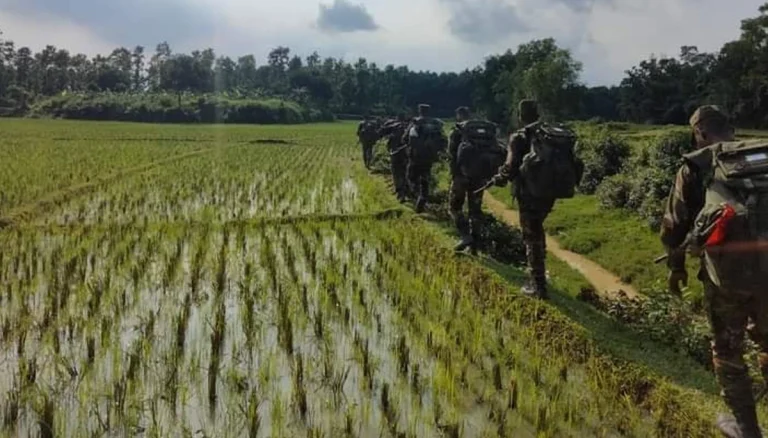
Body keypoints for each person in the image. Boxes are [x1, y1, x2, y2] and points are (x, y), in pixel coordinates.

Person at [661, 105, 767, 438]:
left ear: (701, 132)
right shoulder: (762, 154)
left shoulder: (698, 164)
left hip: (728, 279)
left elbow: (673, 226)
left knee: (727, 351)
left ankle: (747, 429)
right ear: (730, 128)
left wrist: (676, 268)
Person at [494, 100, 553, 299]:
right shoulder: (549, 134)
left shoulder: (518, 137)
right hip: (548, 193)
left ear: (521, 115)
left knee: (530, 236)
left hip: (528, 194)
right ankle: (541, 275)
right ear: (537, 114)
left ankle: (538, 286)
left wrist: (499, 178)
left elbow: (510, 167)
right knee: (538, 229)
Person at [448, 106, 486, 253]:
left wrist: (454, 174)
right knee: (475, 211)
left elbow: (451, 154)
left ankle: (465, 236)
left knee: (454, 207)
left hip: (461, 177)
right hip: (479, 179)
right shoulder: (483, 134)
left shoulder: (457, 131)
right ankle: (474, 246)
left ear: (459, 116)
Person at [402, 104, 447, 213]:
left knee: (411, 177)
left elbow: (404, 139)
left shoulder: (415, 123)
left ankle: (418, 195)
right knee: (425, 178)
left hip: (415, 157)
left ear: (419, 111)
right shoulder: (436, 124)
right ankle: (423, 196)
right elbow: (443, 140)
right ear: (429, 111)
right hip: (429, 157)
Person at [379, 113, 410, 202]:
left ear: (397, 118)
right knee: (405, 171)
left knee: (396, 172)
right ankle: (405, 190)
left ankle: (400, 192)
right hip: (407, 153)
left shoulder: (394, 126)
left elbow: (381, 132)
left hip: (395, 152)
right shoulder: (410, 126)